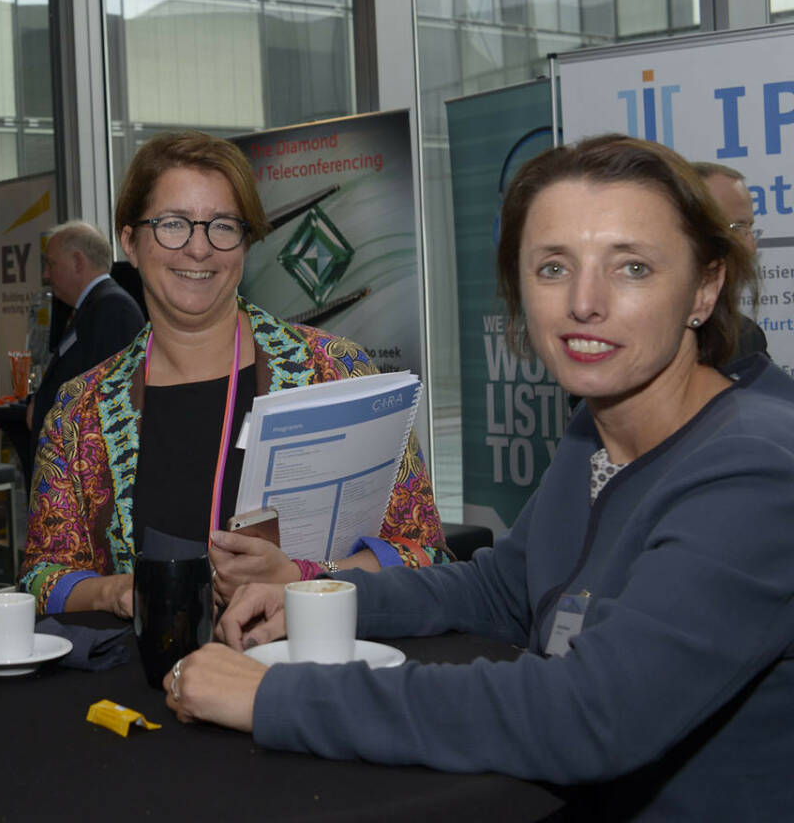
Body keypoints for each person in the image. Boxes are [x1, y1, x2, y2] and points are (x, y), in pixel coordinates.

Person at [174, 134, 794, 819]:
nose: (584, 303)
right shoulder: (594, 429)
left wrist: (273, 698)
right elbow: (504, 587)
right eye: (553, 268)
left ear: (705, 288)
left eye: (633, 269)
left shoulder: (755, 471)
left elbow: (589, 715)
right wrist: (313, 597)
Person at [20, 131, 448, 617]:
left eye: (222, 226)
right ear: (130, 242)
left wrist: (301, 577)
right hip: (144, 684)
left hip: (308, 679)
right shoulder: (83, 410)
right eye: (173, 224)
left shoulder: (333, 371)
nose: (199, 249)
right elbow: (42, 578)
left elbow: (423, 553)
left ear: (245, 243)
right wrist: (117, 591)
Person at [25, 220, 145, 447]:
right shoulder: (94, 306)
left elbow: (113, 403)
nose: (46, 274)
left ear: (78, 262)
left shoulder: (113, 309)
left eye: (51, 263)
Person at [693, 161, 768, 361]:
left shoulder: (747, 338)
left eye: (749, 228)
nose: (751, 248)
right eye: (737, 228)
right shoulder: (647, 335)